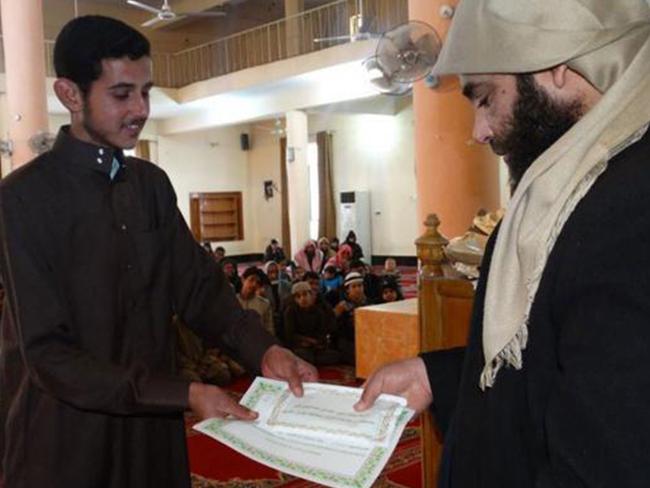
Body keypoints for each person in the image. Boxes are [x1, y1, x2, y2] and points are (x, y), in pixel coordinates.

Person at [0, 15, 317, 488]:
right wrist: (183, 392)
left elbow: (200, 291)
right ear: (70, 94)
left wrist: (265, 349)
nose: (141, 108)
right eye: (122, 94)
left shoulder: (150, 185)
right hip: (65, 437)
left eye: (146, 91)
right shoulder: (22, 198)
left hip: (151, 432)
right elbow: (49, 355)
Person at [355, 1, 650, 487]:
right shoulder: (575, 184)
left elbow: (608, 458)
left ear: (557, 64)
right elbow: (564, 355)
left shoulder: (632, 212)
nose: (478, 132)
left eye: (486, 98)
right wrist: (439, 377)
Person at [283, 281, 339, 366]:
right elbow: (289, 334)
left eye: (305, 294)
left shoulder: (318, 311)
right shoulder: (290, 311)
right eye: (298, 296)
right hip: (299, 346)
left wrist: (316, 342)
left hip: (315, 346)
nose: (302, 298)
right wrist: (305, 341)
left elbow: (322, 332)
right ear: (295, 299)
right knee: (304, 355)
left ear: (311, 295)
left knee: (335, 356)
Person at [334, 271, 368, 365]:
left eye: (360, 286)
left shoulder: (369, 303)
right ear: (348, 289)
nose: (357, 289)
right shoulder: (342, 306)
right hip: (347, 339)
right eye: (354, 287)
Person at [238, 267, 275, 336]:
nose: (254, 284)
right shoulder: (232, 301)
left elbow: (269, 330)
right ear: (243, 279)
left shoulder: (264, 304)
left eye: (257, 282)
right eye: (251, 280)